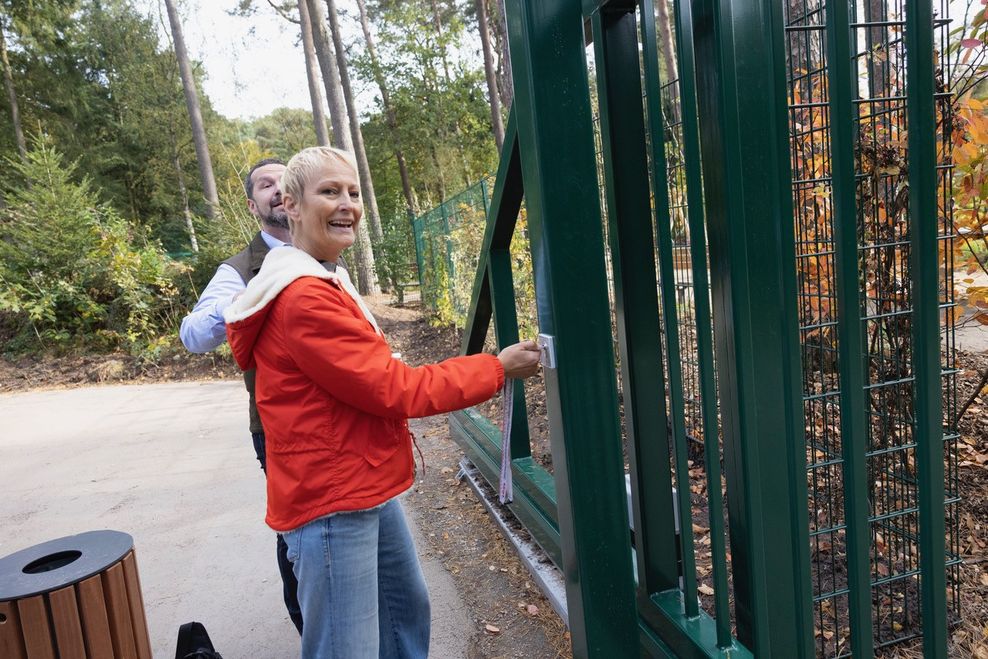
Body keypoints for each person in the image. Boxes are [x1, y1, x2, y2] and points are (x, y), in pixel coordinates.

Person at [223, 146, 542, 659]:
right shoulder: (305, 297)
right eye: (329, 191)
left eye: (352, 191)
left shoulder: (323, 277)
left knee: (402, 616)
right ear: (292, 204)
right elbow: (397, 389)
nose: (346, 202)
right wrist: (496, 368)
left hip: (360, 480)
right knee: (346, 647)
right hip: (332, 499)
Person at [179, 158, 305, 634]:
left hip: (338, 424)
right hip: (276, 430)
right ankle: (308, 625)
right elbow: (194, 334)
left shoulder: (323, 251)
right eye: (265, 185)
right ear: (254, 205)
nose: (277, 189)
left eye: (284, 181)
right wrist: (247, 302)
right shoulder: (240, 270)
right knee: (296, 532)